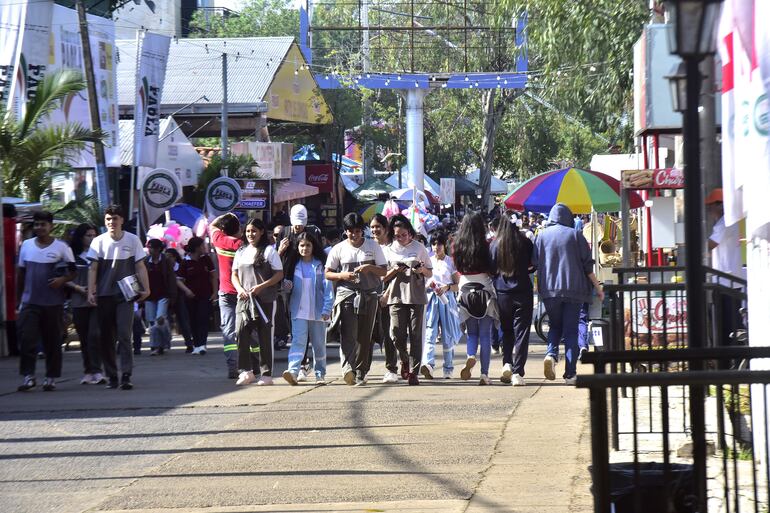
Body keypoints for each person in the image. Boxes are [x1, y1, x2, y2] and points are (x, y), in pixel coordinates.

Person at [533, 203, 603, 385]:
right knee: (571, 331)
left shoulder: (541, 236)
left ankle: (551, 353)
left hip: (549, 289)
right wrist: (598, 287)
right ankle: (570, 374)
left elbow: (534, 263)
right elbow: (588, 265)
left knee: (555, 326)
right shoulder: (576, 235)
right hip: (574, 289)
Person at [87, 205, 151, 390]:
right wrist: (91, 291)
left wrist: (146, 288)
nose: (111, 222)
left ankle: (126, 375)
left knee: (124, 334)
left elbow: (140, 266)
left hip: (126, 295)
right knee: (106, 337)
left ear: (122, 220)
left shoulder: (132, 240)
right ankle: (112, 375)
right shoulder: (98, 242)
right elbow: (93, 268)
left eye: (115, 218)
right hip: (104, 295)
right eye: (108, 219)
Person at [16, 211, 76, 391]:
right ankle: (28, 376)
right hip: (30, 302)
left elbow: (73, 271)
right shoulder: (26, 245)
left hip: (53, 303)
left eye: (43, 224)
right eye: (36, 225)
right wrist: (19, 300)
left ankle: (51, 377)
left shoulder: (62, 247)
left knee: (52, 342)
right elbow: (21, 273)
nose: (39, 228)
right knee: (27, 339)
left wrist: (62, 281)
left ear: (51, 226)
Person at [325, 213, 387, 386]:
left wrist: (369, 268)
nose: (354, 234)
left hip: (369, 295)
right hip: (346, 295)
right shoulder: (338, 249)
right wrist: (342, 275)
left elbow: (384, 271)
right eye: (351, 231)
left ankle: (361, 371)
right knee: (348, 333)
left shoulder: (373, 246)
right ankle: (348, 369)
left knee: (365, 336)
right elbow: (327, 273)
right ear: (345, 231)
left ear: (363, 231)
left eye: (358, 231)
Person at [232, 217, 284, 386]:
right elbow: (234, 275)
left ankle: (266, 374)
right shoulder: (240, 251)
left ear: (261, 232)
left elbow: (279, 274)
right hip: (245, 301)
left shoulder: (269, 251)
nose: (250, 234)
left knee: (264, 335)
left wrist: (262, 286)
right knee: (241, 332)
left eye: (254, 231)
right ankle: (246, 371)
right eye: (247, 231)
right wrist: (240, 290)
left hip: (265, 300)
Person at [382, 215, 432, 385]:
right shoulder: (388, 249)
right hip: (395, 295)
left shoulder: (419, 248)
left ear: (410, 233)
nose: (401, 238)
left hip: (416, 295)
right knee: (396, 333)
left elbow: (429, 272)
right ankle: (404, 358)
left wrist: (420, 269)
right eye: (397, 235)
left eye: (404, 234)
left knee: (416, 334)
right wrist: (395, 269)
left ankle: (413, 372)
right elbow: (383, 277)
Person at [453, 211, 499, 385]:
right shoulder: (487, 245)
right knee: (485, 334)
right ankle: (484, 374)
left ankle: (471, 355)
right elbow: (492, 269)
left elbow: (457, 267)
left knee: (472, 333)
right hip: (484, 290)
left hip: (464, 290)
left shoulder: (456, 244)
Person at [282, 232, 332, 384]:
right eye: (302, 245)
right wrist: (287, 286)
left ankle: (320, 374)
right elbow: (286, 287)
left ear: (313, 246)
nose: (305, 248)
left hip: (318, 312)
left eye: (308, 245)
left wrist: (327, 309)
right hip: (299, 311)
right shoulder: (292, 265)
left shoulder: (320, 264)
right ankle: (293, 371)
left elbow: (328, 289)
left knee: (319, 345)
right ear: (297, 247)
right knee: (298, 342)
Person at [491, 212, 534, 386]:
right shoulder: (526, 242)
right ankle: (518, 372)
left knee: (506, 330)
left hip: (502, 291)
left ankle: (507, 362)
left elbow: (492, 267)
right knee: (522, 333)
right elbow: (533, 265)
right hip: (523, 290)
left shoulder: (495, 244)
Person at [67, 223, 105, 385]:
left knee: (95, 335)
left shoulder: (101, 255)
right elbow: (63, 278)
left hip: (98, 300)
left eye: (94, 235)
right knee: (84, 338)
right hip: (78, 301)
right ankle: (88, 370)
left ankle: (98, 370)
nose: (92, 238)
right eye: (88, 235)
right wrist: (78, 288)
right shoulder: (72, 256)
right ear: (80, 237)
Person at [421, 231, 461, 379]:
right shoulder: (428, 261)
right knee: (430, 332)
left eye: (439, 243)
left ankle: (448, 368)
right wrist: (429, 286)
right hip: (431, 299)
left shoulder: (451, 262)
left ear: (444, 245)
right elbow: (422, 282)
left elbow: (458, 285)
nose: (436, 247)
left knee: (447, 334)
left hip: (447, 300)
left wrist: (447, 287)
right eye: (433, 243)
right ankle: (428, 364)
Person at [209, 213, 244, 379]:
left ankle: (232, 367)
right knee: (249, 330)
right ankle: (254, 364)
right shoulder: (242, 245)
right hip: (243, 294)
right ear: (239, 229)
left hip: (225, 294)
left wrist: (226, 214)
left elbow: (212, 226)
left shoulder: (219, 240)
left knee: (229, 331)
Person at [369, 214, 400, 383]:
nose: (375, 230)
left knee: (389, 333)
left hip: (389, 296)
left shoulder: (392, 249)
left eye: (378, 227)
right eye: (372, 227)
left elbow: (396, 275)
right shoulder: (368, 247)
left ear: (386, 229)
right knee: (367, 333)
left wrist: (387, 294)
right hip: (369, 294)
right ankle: (363, 369)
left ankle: (391, 368)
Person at [179, 237, 217, 355]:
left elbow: (213, 277)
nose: (204, 247)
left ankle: (202, 344)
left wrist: (215, 292)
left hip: (205, 295)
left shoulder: (206, 260)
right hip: (191, 297)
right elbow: (179, 280)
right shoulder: (185, 262)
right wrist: (187, 291)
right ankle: (196, 344)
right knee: (193, 320)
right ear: (196, 247)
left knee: (203, 318)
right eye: (202, 245)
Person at [144, 238, 177, 356]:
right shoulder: (145, 261)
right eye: (148, 247)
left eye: (151, 247)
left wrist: (172, 295)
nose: (150, 250)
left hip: (163, 294)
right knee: (152, 323)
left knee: (160, 320)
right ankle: (156, 346)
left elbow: (171, 278)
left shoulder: (166, 261)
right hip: (149, 296)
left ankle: (166, 341)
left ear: (158, 249)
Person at [164, 248, 194, 352]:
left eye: (169, 256)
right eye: (166, 256)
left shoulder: (180, 266)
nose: (167, 258)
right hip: (167, 296)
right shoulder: (164, 267)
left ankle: (189, 343)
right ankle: (165, 344)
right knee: (165, 320)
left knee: (183, 320)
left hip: (180, 296)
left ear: (175, 257)